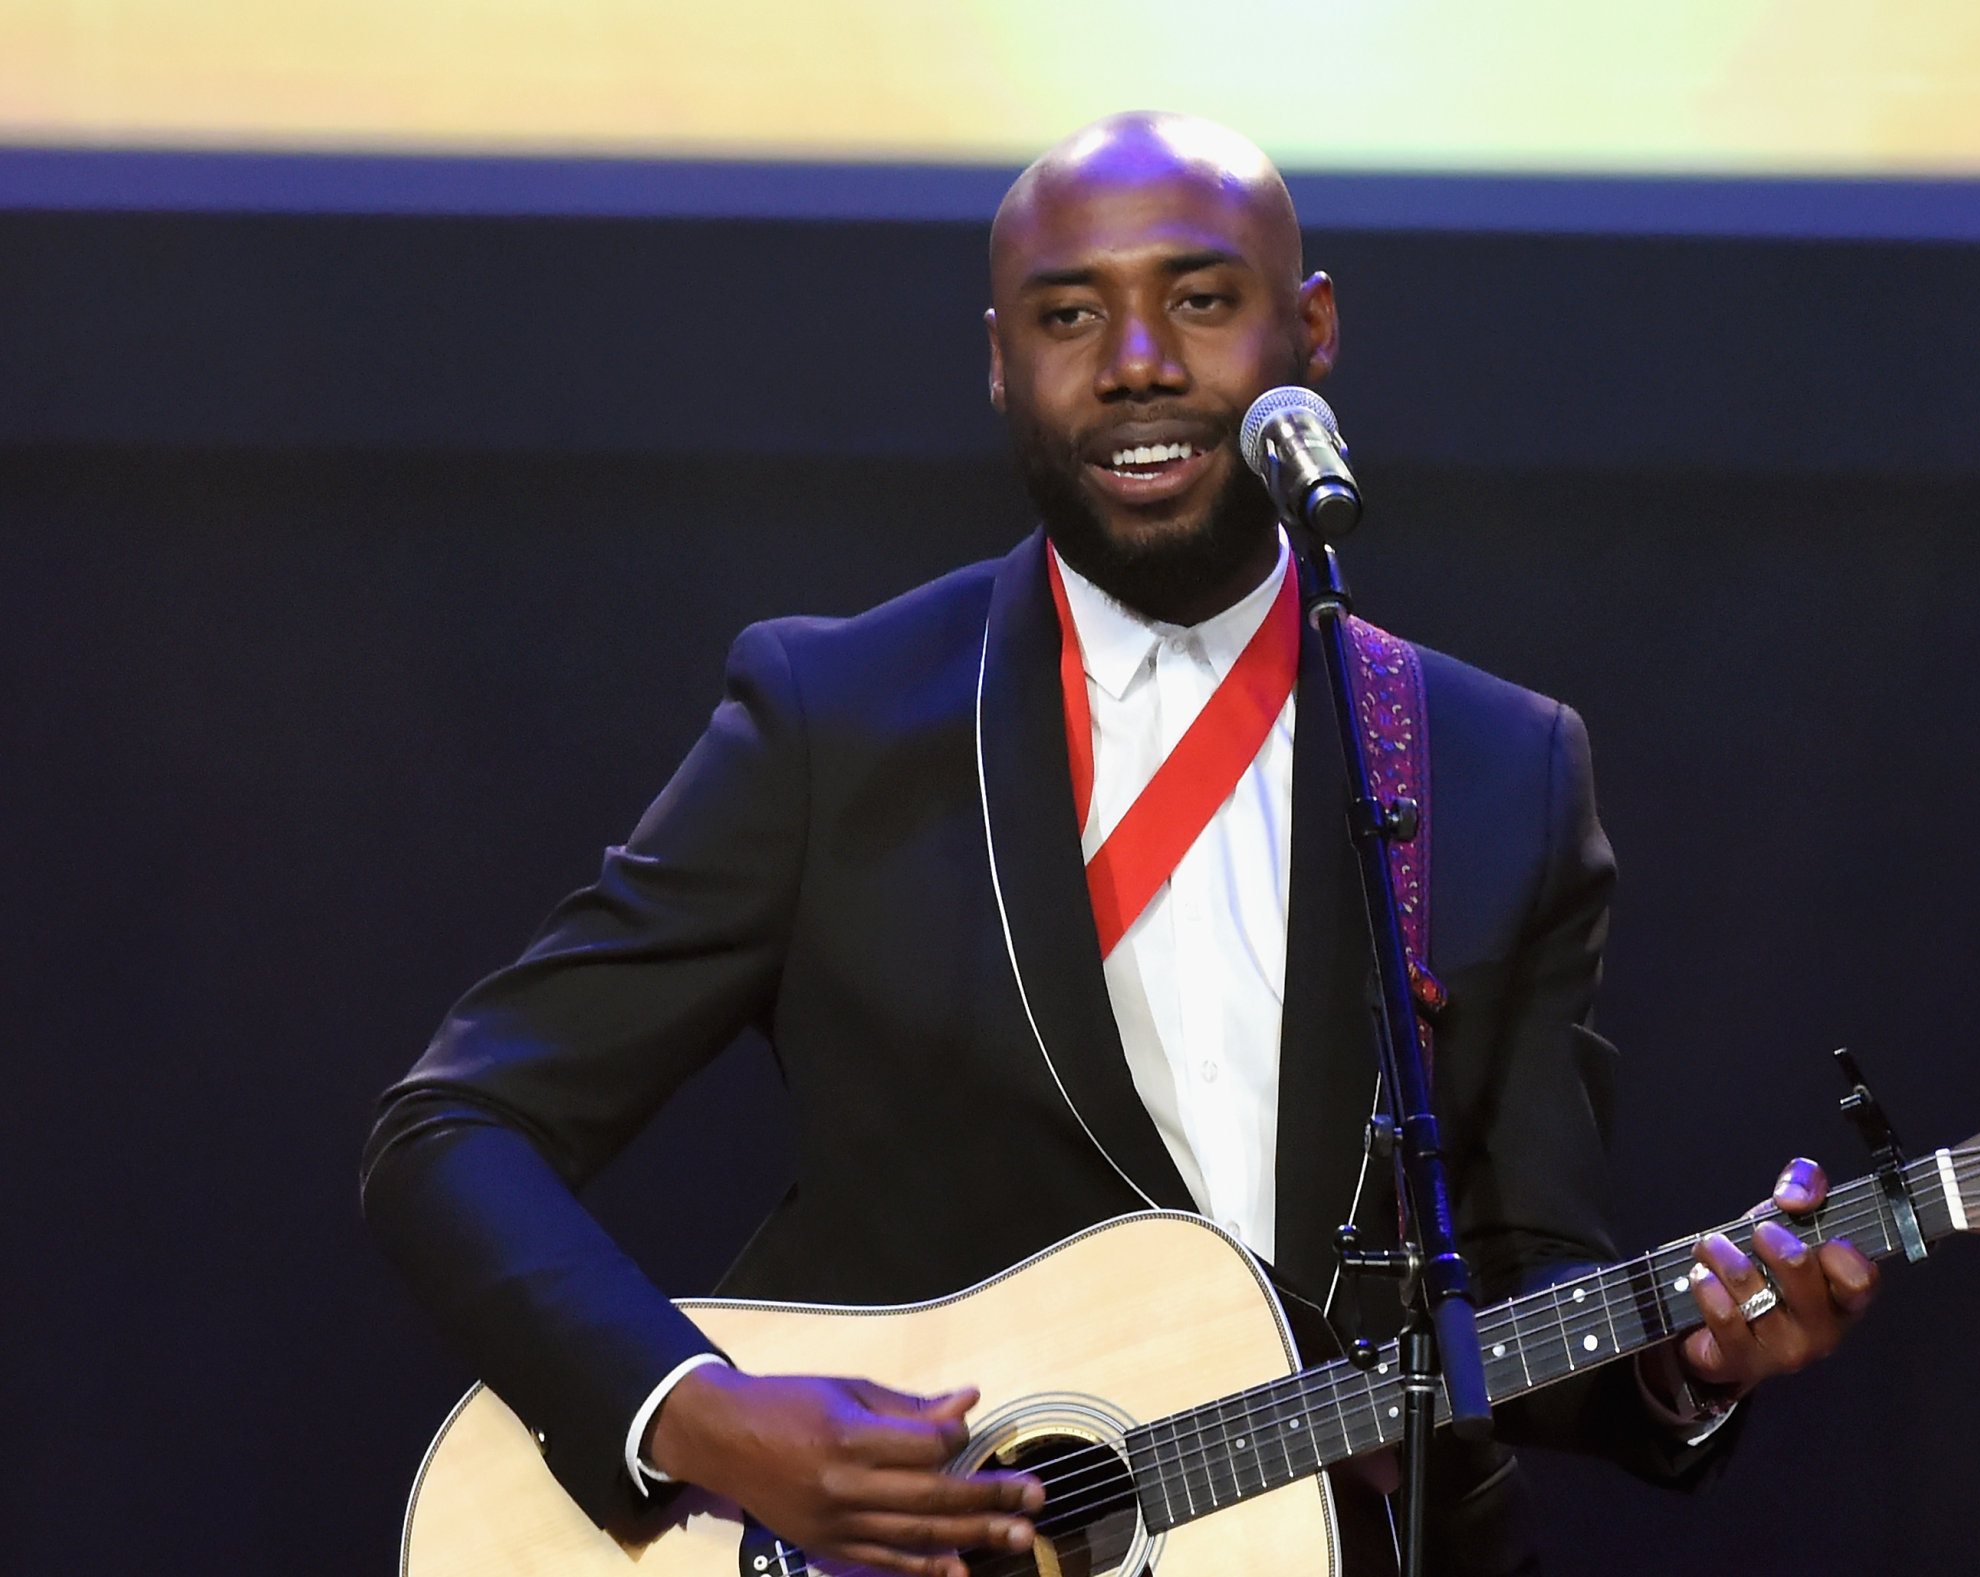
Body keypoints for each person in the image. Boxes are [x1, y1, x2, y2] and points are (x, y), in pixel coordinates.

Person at [362, 111, 1879, 1577]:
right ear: (1001, 362)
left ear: (1316, 331)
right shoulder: (839, 719)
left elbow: (1512, 1294)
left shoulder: (1497, 768)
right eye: (1070, 315)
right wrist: (697, 1416)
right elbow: (451, 1133)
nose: (1138, 364)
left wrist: (1693, 1354)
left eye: (1202, 302)